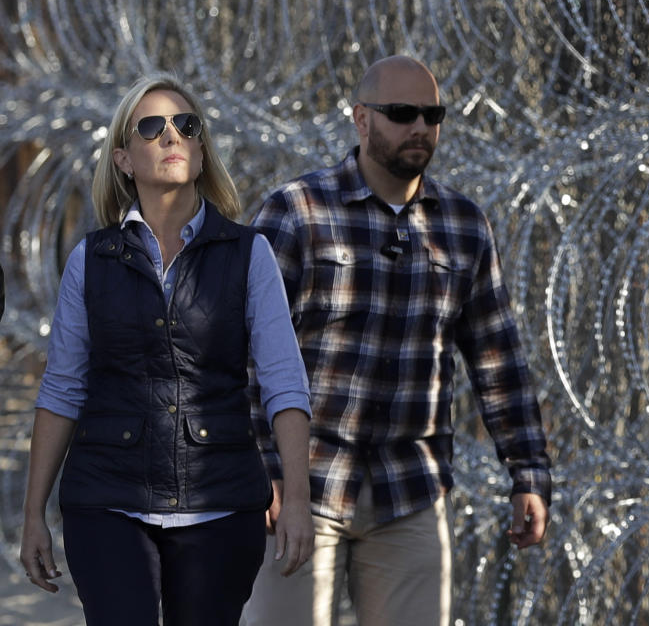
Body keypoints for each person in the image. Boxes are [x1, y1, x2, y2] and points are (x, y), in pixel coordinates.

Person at [240, 55, 552, 626]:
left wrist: (527, 472)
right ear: (361, 120)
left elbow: (496, 357)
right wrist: (265, 469)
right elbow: (244, 355)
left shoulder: (461, 225)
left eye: (432, 115)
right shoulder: (297, 212)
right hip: (304, 486)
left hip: (410, 489)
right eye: (401, 112)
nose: (419, 128)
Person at [19, 72, 315, 626]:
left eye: (186, 125)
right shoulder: (91, 259)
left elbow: (284, 382)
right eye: (152, 127)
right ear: (124, 158)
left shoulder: (249, 255)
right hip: (107, 499)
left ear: (201, 150)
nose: (171, 136)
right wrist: (32, 513)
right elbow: (62, 388)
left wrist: (296, 500)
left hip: (222, 503)